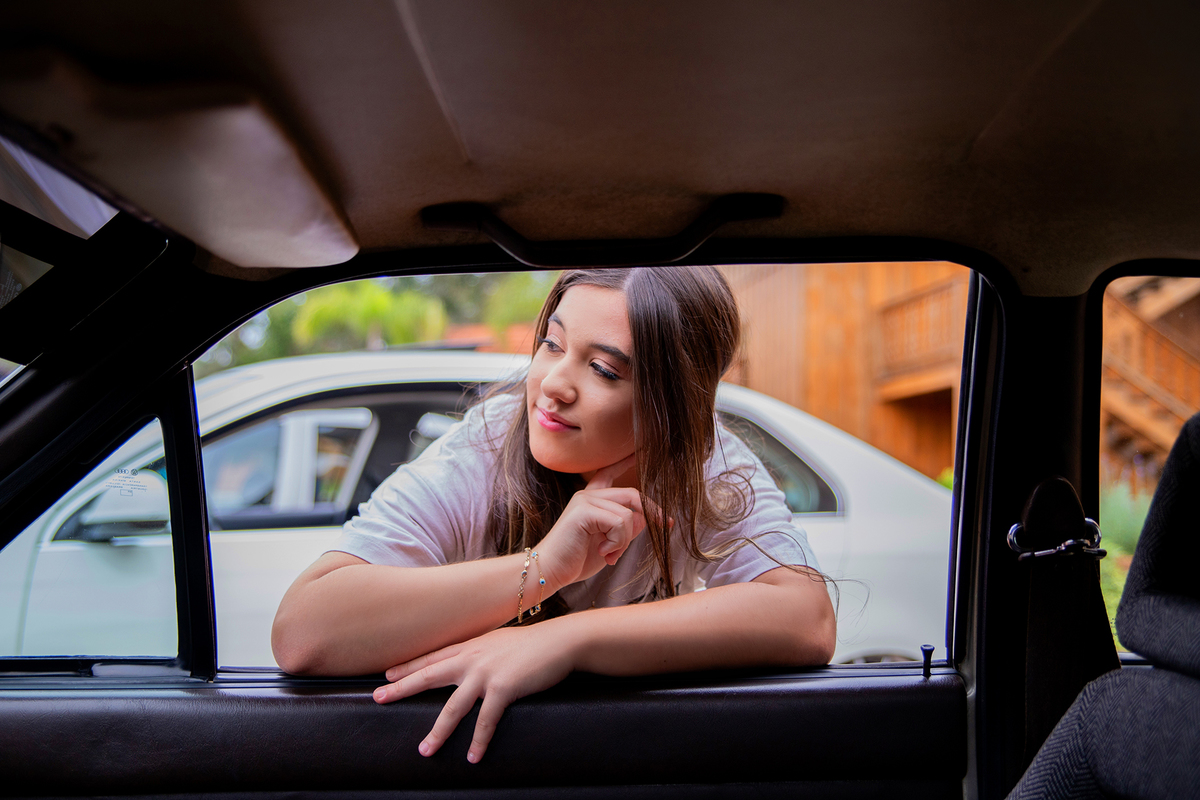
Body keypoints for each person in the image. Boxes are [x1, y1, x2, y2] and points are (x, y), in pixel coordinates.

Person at [272, 266, 837, 763]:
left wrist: (566, 640)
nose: (553, 385)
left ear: (676, 406)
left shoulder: (706, 462)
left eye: (605, 370)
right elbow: (304, 631)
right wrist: (543, 567)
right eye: (552, 344)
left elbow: (805, 618)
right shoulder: (486, 445)